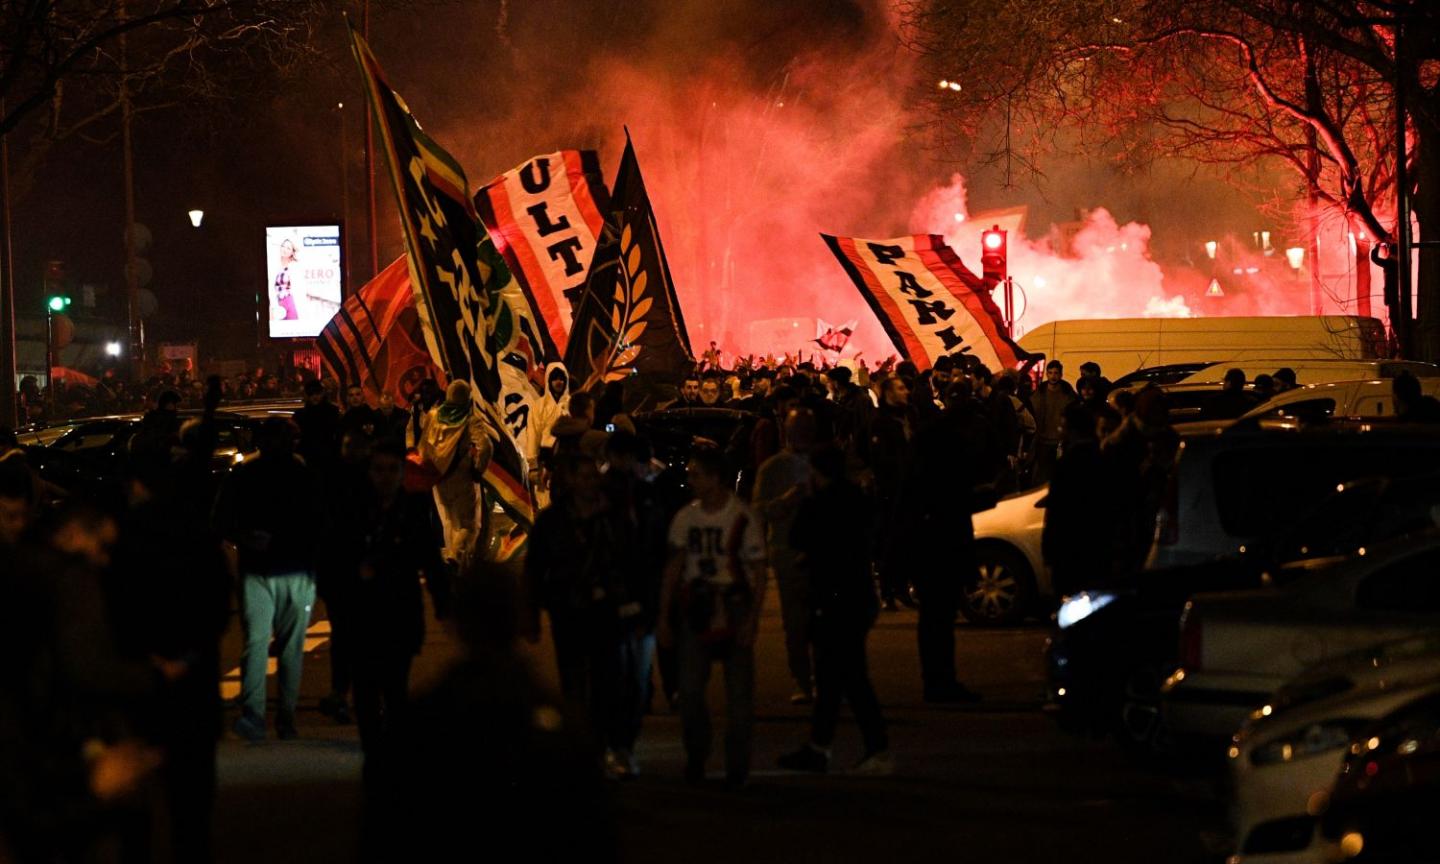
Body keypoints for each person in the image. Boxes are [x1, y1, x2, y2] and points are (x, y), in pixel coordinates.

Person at [330, 442, 450, 785]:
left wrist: (443, 603)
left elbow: (430, 559)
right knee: (366, 692)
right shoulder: (353, 511)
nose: (385, 477)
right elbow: (334, 557)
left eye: (392, 470)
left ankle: (394, 758)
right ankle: (374, 755)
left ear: (402, 474)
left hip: (399, 613)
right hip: (361, 615)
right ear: (369, 474)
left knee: (396, 688)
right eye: (378, 470)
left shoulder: (412, 510)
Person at [657, 447, 767, 789]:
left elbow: (758, 571)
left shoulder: (741, 517)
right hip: (697, 605)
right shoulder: (686, 518)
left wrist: (751, 619)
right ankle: (696, 755)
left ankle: (737, 766)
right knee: (688, 692)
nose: (690, 481)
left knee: (739, 699)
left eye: (696, 474)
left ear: (715, 477)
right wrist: (664, 616)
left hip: (732, 603)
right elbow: (674, 568)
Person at [776, 446, 890, 775]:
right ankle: (820, 746)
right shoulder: (857, 499)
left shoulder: (820, 503)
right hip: (857, 596)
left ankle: (876, 746)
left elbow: (799, 537)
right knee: (833, 677)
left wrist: (799, 501)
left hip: (833, 600)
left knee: (849, 676)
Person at [213, 417, 323, 741]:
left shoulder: (244, 474)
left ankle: (255, 715)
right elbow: (323, 522)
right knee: (289, 648)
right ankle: (284, 718)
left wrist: (243, 537)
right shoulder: (305, 475)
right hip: (295, 569)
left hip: (259, 568)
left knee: (257, 644)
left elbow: (219, 521)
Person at [909, 383, 993, 703]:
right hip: (941, 544)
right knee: (939, 619)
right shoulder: (946, 455)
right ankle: (940, 683)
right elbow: (956, 502)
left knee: (935, 618)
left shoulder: (927, 450)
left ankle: (937, 681)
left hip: (930, 543)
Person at [751, 408, 817, 704]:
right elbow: (759, 509)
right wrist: (786, 500)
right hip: (786, 550)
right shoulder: (774, 467)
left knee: (821, 620)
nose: (802, 435)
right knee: (795, 621)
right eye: (797, 429)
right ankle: (802, 679)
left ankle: (822, 678)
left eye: (807, 428)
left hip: (820, 552)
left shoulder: (821, 463)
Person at [1041, 402, 1112, 597]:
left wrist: (1050, 549)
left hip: (1071, 548)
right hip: (1095, 548)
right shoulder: (1101, 458)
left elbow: (1058, 509)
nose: (1059, 431)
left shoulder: (1069, 462)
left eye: (1062, 427)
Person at [417, 380, 490, 569]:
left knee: (448, 521)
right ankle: (456, 557)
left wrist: (429, 471)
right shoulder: (470, 419)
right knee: (469, 525)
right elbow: (485, 446)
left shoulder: (433, 415)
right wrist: (478, 469)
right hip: (462, 476)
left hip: (438, 478)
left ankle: (453, 562)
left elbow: (423, 447)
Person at [870, 376, 918, 610]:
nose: (906, 392)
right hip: (890, 491)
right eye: (900, 388)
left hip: (909, 489)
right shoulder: (880, 422)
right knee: (890, 540)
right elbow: (875, 455)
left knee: (906, 541)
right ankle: (890, 590)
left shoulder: (909, 416)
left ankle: (900, 588)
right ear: (889, 394)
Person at [1029, 360, 1076, 485]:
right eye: (1050, 373)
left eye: (1056, 373)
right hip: (1043, 439)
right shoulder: (1039, 392)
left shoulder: (1067, 393)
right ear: (1047, 374)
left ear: (1060, 374)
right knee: (1043, 474)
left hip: (1060, 441)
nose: (1053, 376)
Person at [294, 379, 342, 471]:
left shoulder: (332, 411)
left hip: (326, 455)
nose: (315, 396)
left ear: (322, 393)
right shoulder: (332, 411)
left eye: (317, 393)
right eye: (311, 394)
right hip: (312, 455)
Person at [274, 237, 300, 320]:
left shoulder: (294, 267)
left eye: (288, 248)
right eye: (283, 246)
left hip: (289, 302)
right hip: (278, 304)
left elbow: (298, 289)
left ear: (292, 252)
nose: (284, 249)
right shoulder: (274, 265)